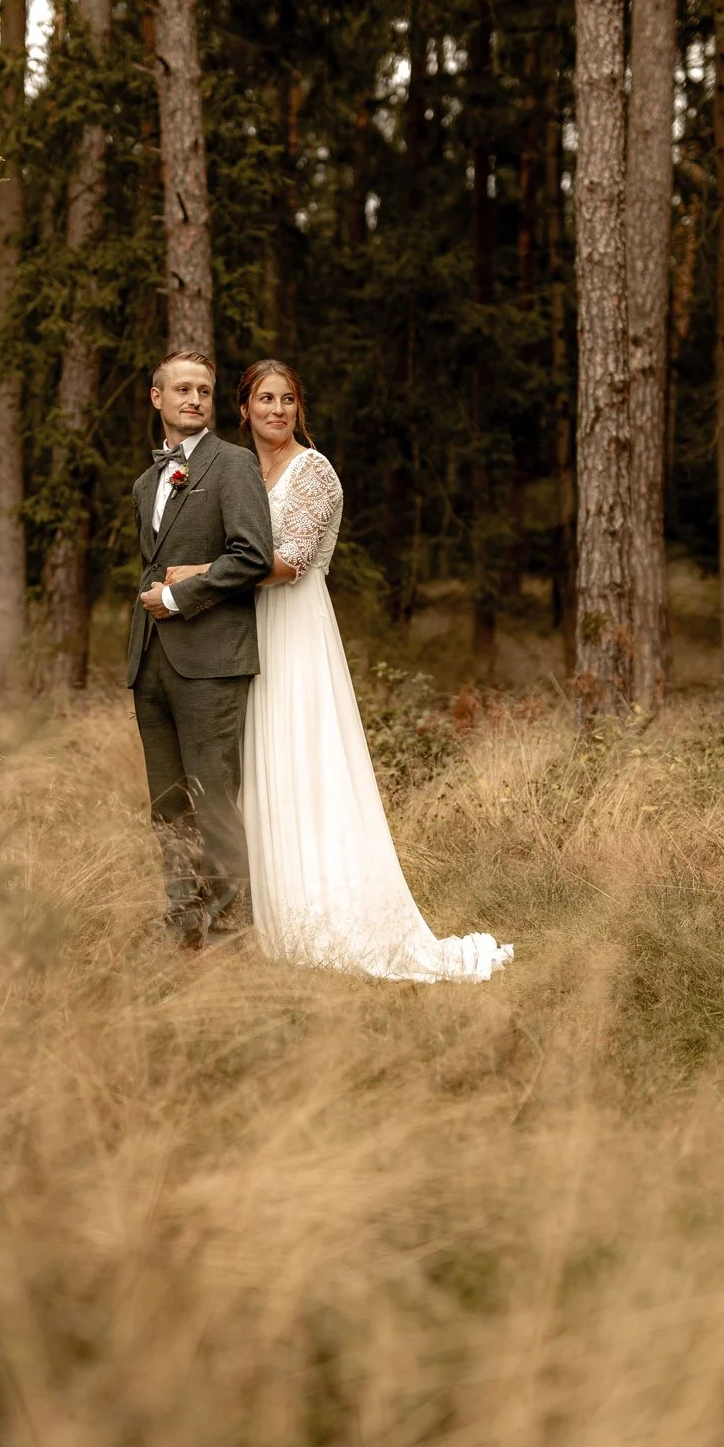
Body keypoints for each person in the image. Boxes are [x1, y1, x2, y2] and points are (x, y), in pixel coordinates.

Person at [219, 359, 513, 982]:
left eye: (288, 399)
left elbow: (290, 560)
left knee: (306, 765)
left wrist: (200, 578)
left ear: (299, 408)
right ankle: (276, 922)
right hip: (248, 633)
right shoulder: (241, 470)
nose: (277, 410)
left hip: (294, 630)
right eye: (265, 399)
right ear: (242, 409)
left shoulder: (314, 471)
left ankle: (330, 920)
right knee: (264, 767)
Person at [128, 350, 274, 948]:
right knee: (167, 804)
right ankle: (182, 922)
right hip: (151, 661)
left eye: (205, 391)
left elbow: (252, 556)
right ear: (157, 398)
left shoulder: (233, 464)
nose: (194, 399)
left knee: (213, 800)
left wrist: (183, 597)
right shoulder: (145, 482)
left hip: (212, 660)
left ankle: (227, 931)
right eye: (182, 389)